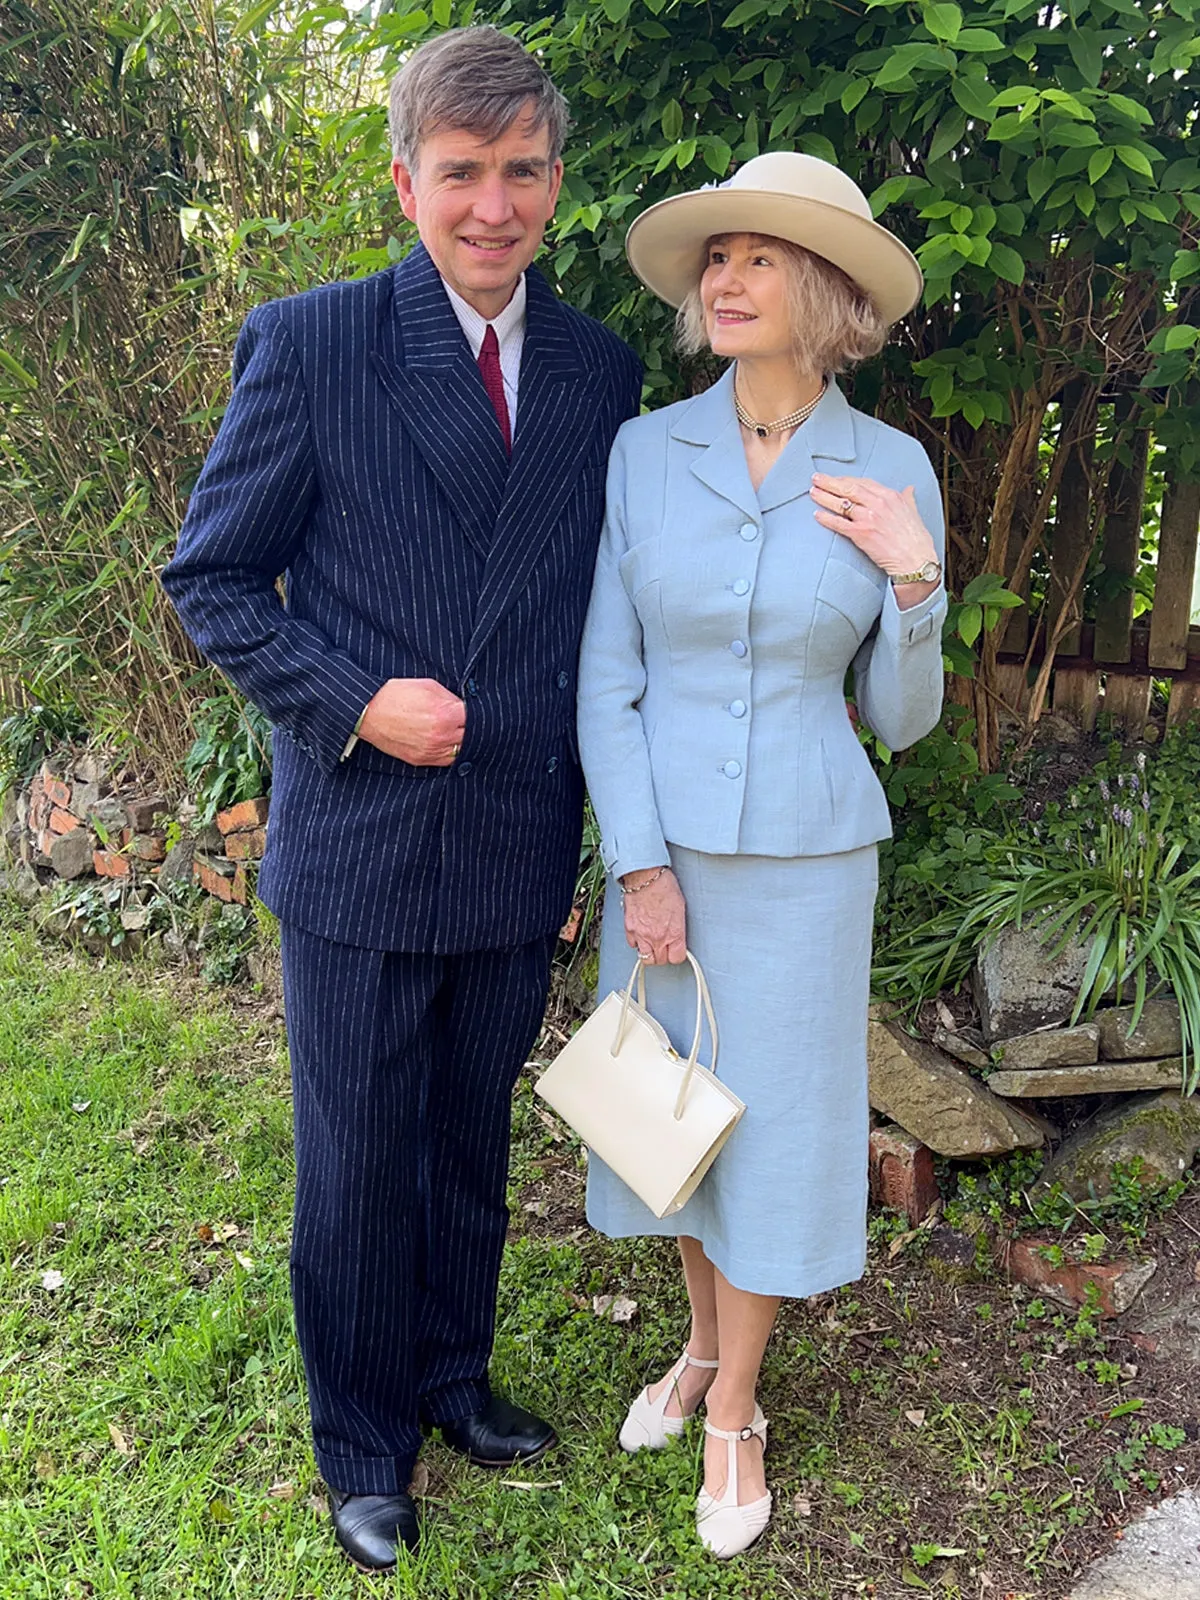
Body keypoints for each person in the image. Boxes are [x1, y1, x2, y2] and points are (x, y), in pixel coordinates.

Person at [162, 26, 641, 1571]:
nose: (489, 205)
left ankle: (452, 1374)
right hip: (366, 836)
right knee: (358, 1155)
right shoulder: (311, 344)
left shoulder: (599, 370)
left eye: (518, 172)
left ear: (555, 183)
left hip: (511, 833)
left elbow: (600, 612)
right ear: (406, 180)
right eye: (459, 174)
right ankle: (362, 1436)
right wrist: (358, 698)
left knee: (465, 1143)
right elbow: (214, 581)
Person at [577, 151, 945, 1558]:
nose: (724, 279)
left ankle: (735, 1403)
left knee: (774, 1129)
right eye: (714, 257)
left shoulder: (891, 468)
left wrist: (915, 574)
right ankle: (692, 1338)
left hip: (807, 859)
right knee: (669, 1114)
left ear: (830, 292)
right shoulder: (643, 453)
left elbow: (899, 720)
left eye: (759, 257)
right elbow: (606, 678)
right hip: (662, 849)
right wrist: (639, 861)